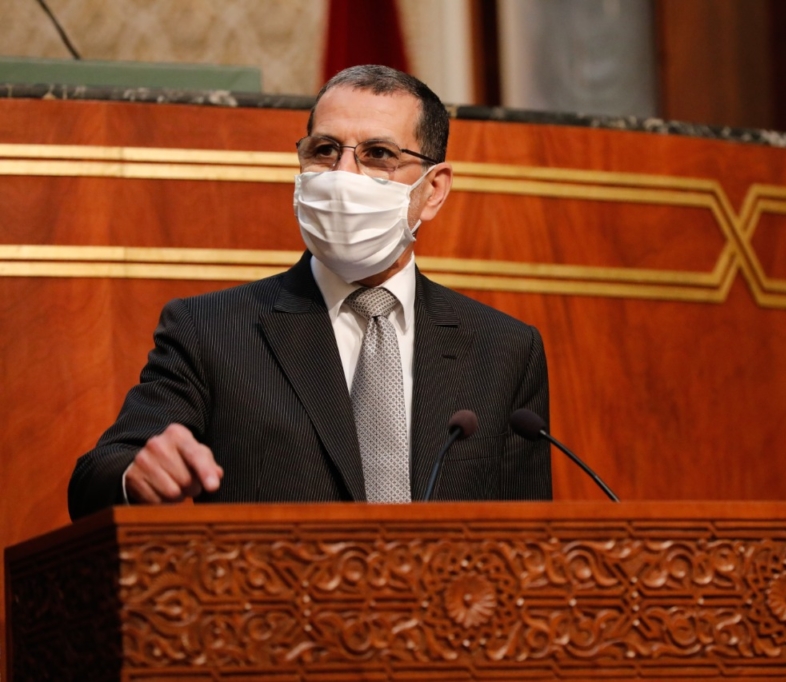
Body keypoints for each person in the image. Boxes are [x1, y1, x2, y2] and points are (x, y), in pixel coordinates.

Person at [67, 65, 552, 520]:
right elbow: (97, 478)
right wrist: (136, 476)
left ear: (434, 190)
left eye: (378, 155)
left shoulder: (505, 349)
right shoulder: (211, 330)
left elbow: (532, 538)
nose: (342, 176)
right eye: (324, 151)